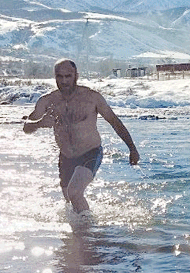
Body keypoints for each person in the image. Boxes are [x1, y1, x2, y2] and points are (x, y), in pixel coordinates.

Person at [23, 59, 139, 216]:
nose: (64, 81)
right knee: (69, 201)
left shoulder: (92, 98)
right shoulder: (48, 101)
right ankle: (78, 234)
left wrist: (132, 148)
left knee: (75, 192)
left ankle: (89, 233)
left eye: (68, 76)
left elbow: (115, 122)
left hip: (90, 152)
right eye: (60, 76)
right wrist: (39, 123)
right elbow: (26, 127)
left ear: (76, 76)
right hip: (66, 156)